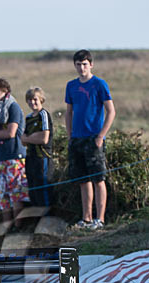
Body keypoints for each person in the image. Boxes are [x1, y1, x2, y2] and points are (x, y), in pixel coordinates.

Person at [65, 49, 116, 230]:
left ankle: (99, 219)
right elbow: (69, 112)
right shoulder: (71, 86)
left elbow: (111, 111)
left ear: (91, 64)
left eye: (85, 64)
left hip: (94, 138)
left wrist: (101, 135)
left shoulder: (99, 84)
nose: (81, 68)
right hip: (77, 139)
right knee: (83, 180)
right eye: (78, 65)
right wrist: (70, 135)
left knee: (98, 179)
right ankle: (86, 218)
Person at [0, 78, 27, 226]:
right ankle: (7, 229)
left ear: (5, 90)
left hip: (15, 156)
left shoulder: (12, 107)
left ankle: (19, 227)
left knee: (16, 196)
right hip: (0, 158)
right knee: (3, 197)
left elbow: (11, 133)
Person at [21, 87, 54, 207]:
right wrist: (32, 137)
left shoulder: (43, 114)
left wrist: (30, 138)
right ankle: (37, 220)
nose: (32, 102)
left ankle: (47, 221)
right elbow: (23, 140)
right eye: (29, 100)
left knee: (43, 191)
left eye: (35, 99)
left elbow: (44, 138)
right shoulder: (29, 118)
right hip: (30, 157)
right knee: (33, 191)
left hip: (42, 157)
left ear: (41, 99)